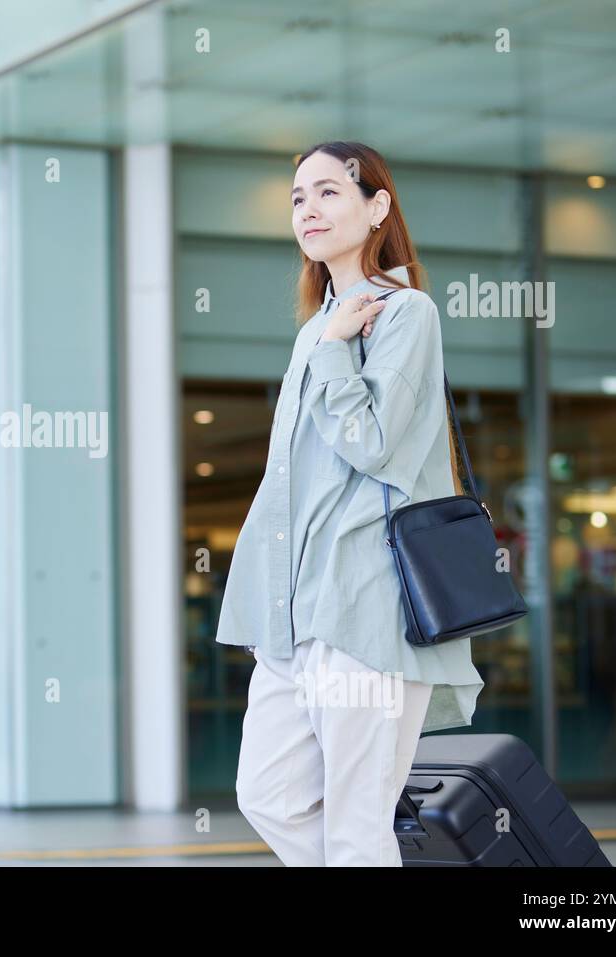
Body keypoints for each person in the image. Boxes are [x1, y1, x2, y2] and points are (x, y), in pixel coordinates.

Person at [214, 141, 485, 866]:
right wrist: (265, 602)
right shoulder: (317, 328)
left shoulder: (407, 315)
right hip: (297, 619)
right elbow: (287, 487)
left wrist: (336, 349)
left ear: (377, 208)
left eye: (330, 191)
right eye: (299, 196)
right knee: (268, 792)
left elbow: (370, 441)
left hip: (365, 609)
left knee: (358, 824)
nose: (309, 208)